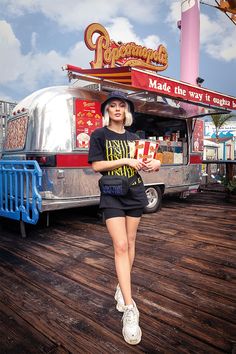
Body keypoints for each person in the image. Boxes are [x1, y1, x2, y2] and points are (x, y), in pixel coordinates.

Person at [88, 91, 161, 345]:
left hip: (135, 192)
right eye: (112, 106)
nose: (117, 109)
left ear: (126, 111)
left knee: (130, 244)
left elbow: (148, 160)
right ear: (107, 111)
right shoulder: (99, 135)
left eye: (121, 106)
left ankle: (122, 286)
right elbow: (96, 165)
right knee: (119, 245)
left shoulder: (134, 137)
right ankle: (130, 309)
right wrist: (125, 160)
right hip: (112, 193)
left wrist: (155, 164)